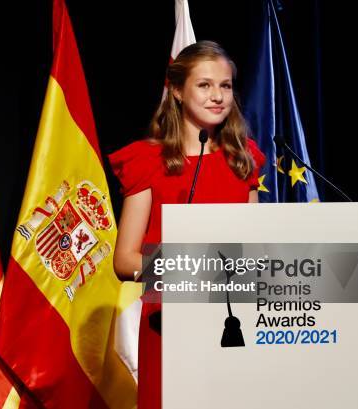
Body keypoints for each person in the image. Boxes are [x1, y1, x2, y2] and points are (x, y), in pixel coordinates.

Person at [108, 40, 265, 409]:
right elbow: (124, 259)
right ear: (177, 91)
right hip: (170, 323)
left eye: (225, 86)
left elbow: (257, 250)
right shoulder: (148, 161)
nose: (217, 96)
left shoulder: (244, 160)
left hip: (232, 322)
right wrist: (188, 268)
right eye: (204, 85)